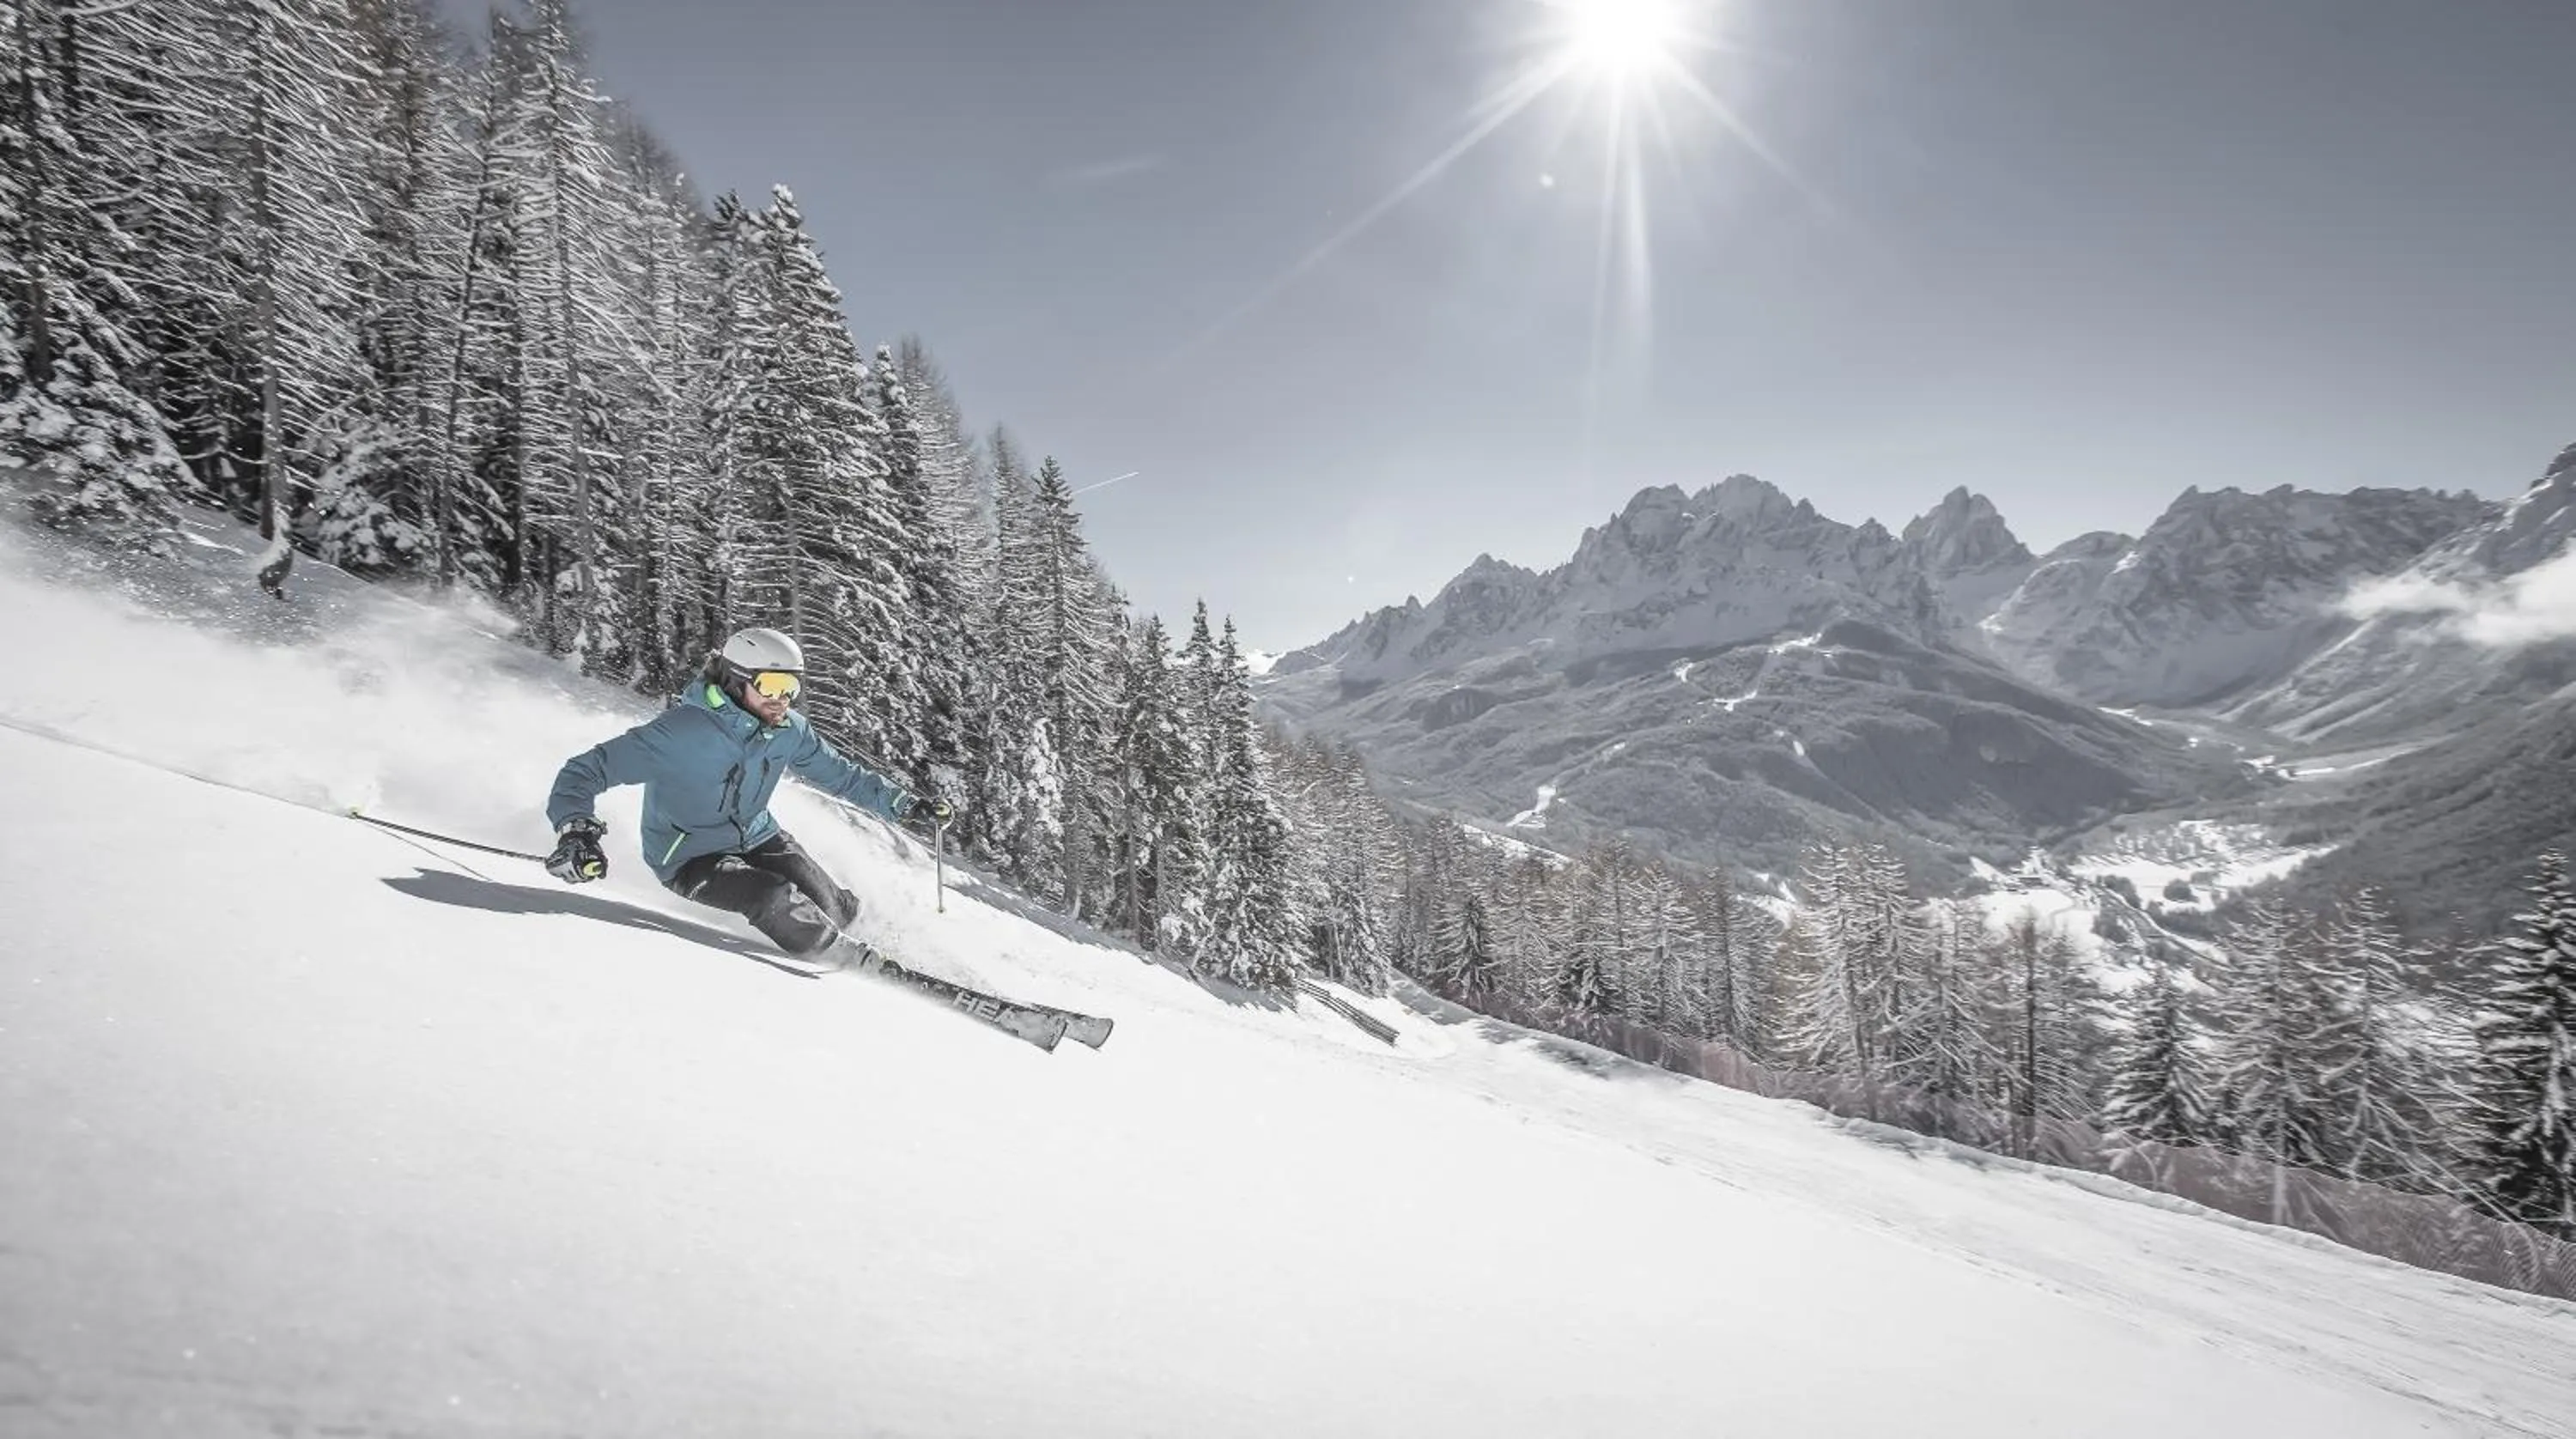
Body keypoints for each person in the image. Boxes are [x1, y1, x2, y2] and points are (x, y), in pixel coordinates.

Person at [543, 626, 953, 964]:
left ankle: (897, 955)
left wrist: (904, 805)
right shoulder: (682, 732)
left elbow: (843, 776)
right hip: (689, 857)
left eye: (791, 688)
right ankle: (845, 964)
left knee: (833, 907)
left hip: (757, 835)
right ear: (737, 682)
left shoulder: (789, 730)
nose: (782, 700)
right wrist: (576, 830)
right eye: (772, 685)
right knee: (772, 897)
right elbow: (586, 770)